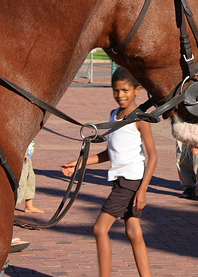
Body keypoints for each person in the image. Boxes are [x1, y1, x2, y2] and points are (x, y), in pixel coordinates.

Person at [62, 68, 157, 277]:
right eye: (116, 91)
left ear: (137, 90)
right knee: (133, 232)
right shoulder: (114, 115)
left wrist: (143, 190)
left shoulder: (140, 118)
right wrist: (79, 164)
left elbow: (153, 157)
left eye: (125, 90)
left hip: (131, 180)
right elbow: (110, 152)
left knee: (99, 229)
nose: (120, 95)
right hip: (121, 179)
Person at [17, 140, 44, 214]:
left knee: (30, 178)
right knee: (20, 181)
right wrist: (24, 147)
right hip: (21, 153)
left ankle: (29, 205)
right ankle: (12, 207)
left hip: (28, 154)